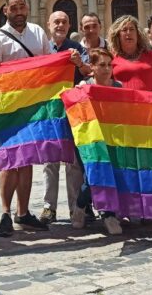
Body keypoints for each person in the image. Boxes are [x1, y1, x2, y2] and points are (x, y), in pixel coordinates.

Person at [0, 0, 52, 236]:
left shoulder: (37, 32)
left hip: (33, 107)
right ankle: (5, 212)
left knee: (26, 159)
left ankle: (22, 213)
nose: (18, 12)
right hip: (8, 108)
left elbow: (50, 62)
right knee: (9, 160)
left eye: (21, 7)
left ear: (27, 8)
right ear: (5, 11)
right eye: (13, 8)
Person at [40, 11, 87, 226]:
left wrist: (79, 64)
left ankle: (75, 208)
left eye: (64, 22)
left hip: (72, 109)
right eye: (56, 22)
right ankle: (49, 206)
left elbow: (88, 71)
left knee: (73, 161)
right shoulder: (42, 49)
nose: (60, 25)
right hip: (49, 110)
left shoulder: (76, 48)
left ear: (69, 26)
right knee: (50, 161)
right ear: (48, 25)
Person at [75, 47, 123, 235]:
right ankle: (80, 205)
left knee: (110, 175)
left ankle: (108, 214)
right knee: (92, 178)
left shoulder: (118, 87)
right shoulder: (83, 86)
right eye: (102, 65)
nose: (107, 69)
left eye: (110, 65)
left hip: (112, 139)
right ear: (92, 67)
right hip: (90, 140)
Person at [107, 15, 152, 92]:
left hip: (149, 99)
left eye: (132, 29)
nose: (128, 33)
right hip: (122, 99)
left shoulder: (149, 54)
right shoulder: (110, 57)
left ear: (138, 34)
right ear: (118, 35)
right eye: (124, 30)